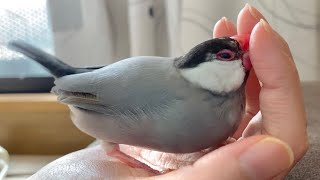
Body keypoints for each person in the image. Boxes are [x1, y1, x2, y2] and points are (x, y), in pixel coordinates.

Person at [29, 4, 308, 180]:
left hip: (96, 78)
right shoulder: (179, 102)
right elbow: (93, 92)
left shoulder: (231, 100)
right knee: (113, 147)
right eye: (227, 56)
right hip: (90, 98)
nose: (246, 59)